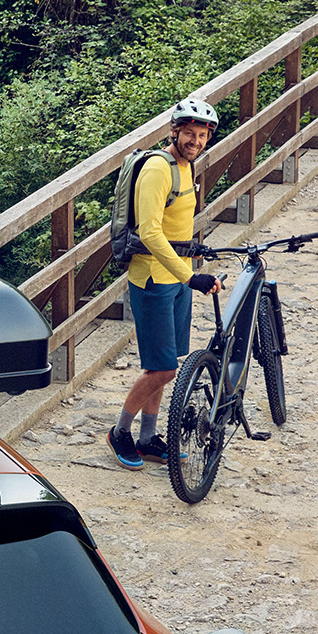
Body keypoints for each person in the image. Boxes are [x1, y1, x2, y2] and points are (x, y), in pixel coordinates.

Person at [109, 97, 222, 469]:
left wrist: (193, 256)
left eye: (202, 135)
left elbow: (176, 227)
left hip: (176, 276)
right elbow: (150, 232)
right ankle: (120, 433)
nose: (196, 140)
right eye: (189, 133)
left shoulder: (187, 167)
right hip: (154, 279)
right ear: (175, 132)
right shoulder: (159, 168)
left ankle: (147, 438)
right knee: (164, 369)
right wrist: (190, 275)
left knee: (164, 362)